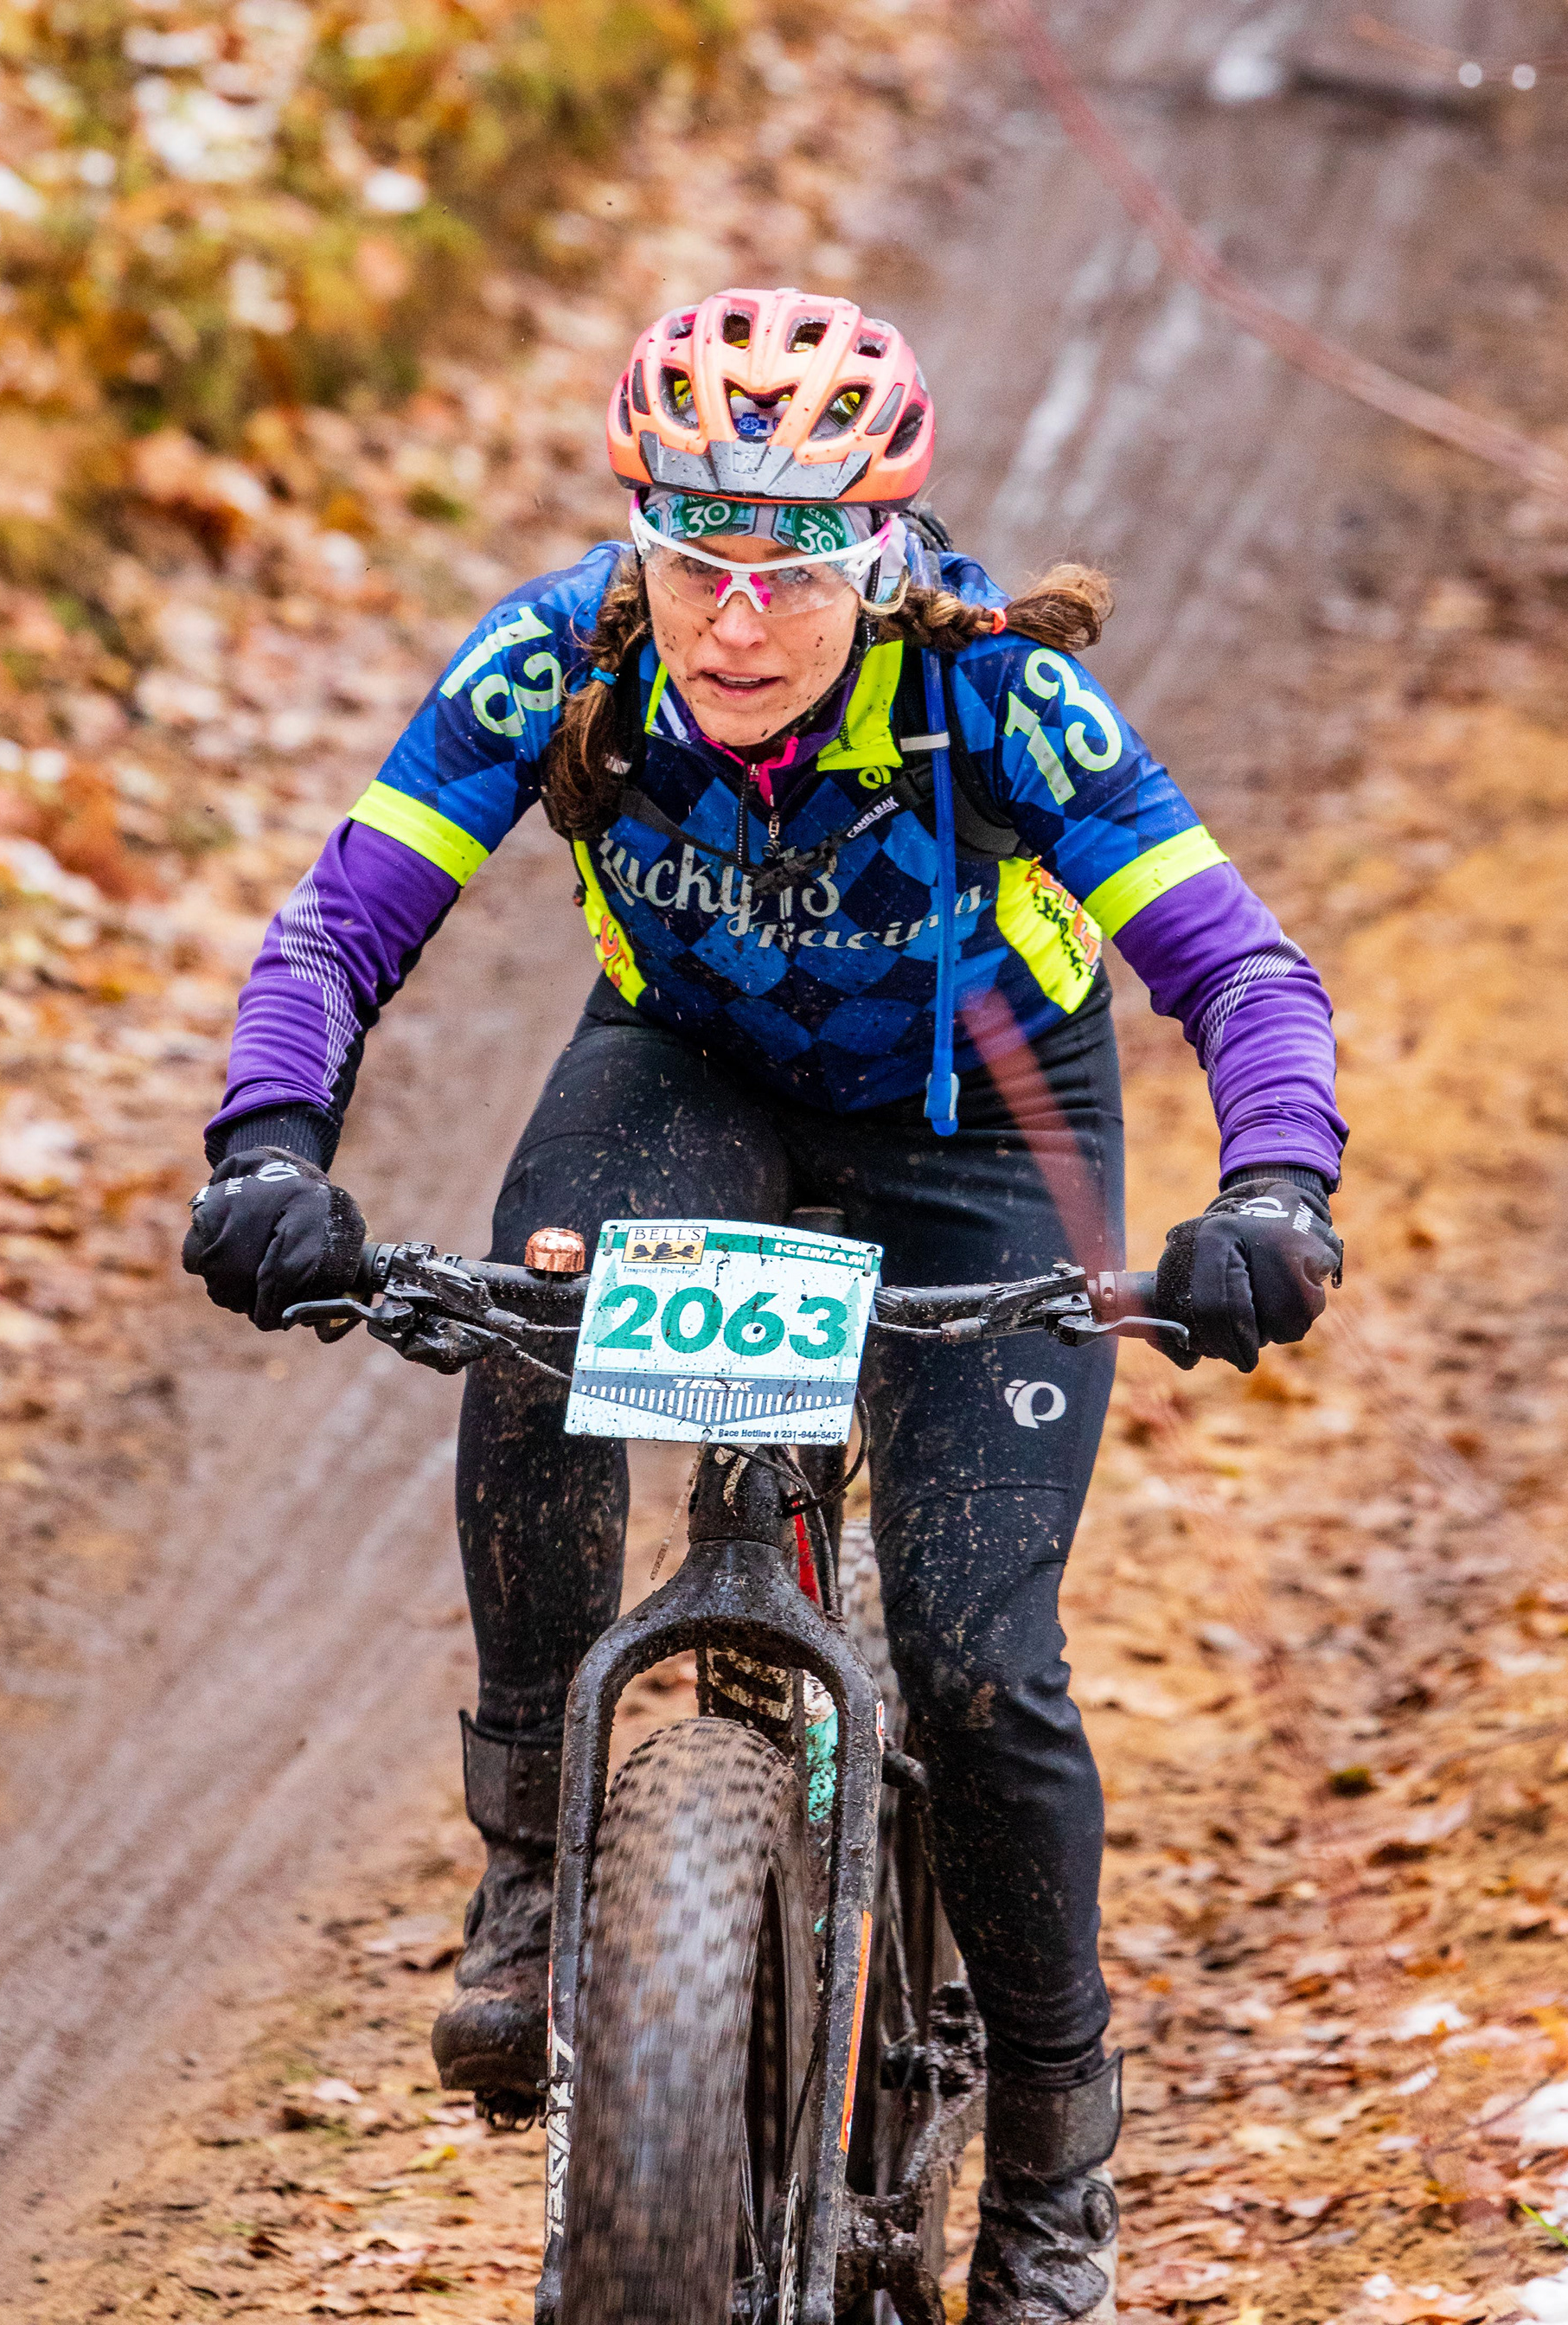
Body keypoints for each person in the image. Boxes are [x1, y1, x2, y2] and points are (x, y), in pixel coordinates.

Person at [183, 288, 1345, 2324]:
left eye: (793, 570)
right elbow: (342, 923)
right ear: (637, 541)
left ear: (879, 559)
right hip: (688, 1075)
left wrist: (1275, 1191)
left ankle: (1054, 2147)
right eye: (695, 559)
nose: (736, 623)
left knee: (977, 1660)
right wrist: (268, 1147)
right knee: (534, 1326)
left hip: (984, 1117)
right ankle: (537, 1862)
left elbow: (1242, 973)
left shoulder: (998, 700)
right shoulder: (559, 658)